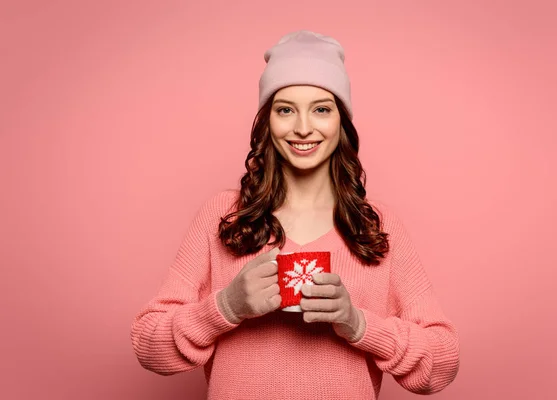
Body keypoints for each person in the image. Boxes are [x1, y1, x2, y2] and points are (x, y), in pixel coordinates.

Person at [130, 30, 460, 399]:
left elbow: (442, 363)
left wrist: (358, 323)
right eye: (285, 109)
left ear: (342, 122)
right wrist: (227, 306)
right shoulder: (224, 215)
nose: (303, 127)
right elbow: (148, 345)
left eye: (321, 108)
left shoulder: (375, 226)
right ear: (267, 122)